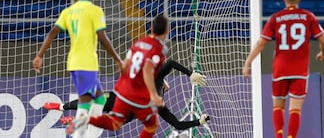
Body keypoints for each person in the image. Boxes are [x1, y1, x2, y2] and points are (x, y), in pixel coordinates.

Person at [32, 0, 123, 138]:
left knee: (100, 100)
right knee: (85, 102)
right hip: (86, 63)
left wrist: (40, 55)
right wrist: (117, 59)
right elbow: (102, 37)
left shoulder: (69, 11)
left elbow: (53, 31)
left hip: (74, 62)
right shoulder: (95, 11)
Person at [242, 0, 324, 138]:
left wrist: (248, 63)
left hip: (280, 69)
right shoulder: (308, 16)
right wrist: (322, 53)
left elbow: (261, 43)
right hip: (300, 70)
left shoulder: (276, 18)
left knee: (278, 106)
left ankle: (279, 136)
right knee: (295, 109)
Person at [66, 15, 168, 137]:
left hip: (122, 90)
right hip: (138, 95)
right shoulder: (160, 49)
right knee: (151, 125)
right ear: (167, 31)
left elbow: (126, 64)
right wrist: (154, 95)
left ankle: (86, 120)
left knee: (115, 123)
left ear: (151, 29)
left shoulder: (140, 43)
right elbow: (147, 70)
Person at [44, 60, 209, 130]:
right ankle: (61, 107)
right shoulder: (155, 79)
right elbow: (171, 63)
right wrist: (190, 73)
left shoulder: (160, 106)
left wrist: (198, 122)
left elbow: (177, 125)